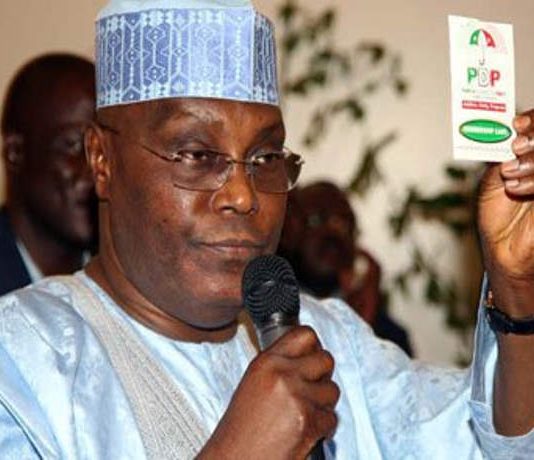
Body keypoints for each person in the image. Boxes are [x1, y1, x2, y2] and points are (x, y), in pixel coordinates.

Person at [0, 1, 533, 458]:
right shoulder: (22, 363)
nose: (242, 194)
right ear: (102, 159)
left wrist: (516, 295)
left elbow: (490, 445)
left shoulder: (330, 339)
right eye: (196, 154)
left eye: (265, 157)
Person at [278, 181, 413, 356]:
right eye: (319, 219)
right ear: (288, 230)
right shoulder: (264, 311)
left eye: (345, 224)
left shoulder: (387, 334)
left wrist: (365, 319)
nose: (335, 232)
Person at [0, 53, 96, 295]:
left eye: (103, 149)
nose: (96, 168)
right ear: (15, 153)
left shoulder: (131, 278)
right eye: (72, 145)